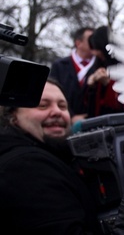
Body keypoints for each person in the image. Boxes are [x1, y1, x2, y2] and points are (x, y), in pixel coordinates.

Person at [0, 79, 103, 234]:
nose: (57, 112)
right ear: (13, 116)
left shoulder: (57, 158)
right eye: (43, 105)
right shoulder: (25, 167)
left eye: (62, 106)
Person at [50, 27, 100, 124]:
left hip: (94, 123)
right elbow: (53, 94)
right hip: (62, 122)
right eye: (90, 39)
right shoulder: (59, 66)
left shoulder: (101, 66)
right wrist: (71, 116)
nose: (94, 42)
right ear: (78, 43)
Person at [87, 25, 124, 117]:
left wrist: (109, 84)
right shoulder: (99, 64)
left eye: (97, 48)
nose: (94, 53)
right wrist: (91, 85)